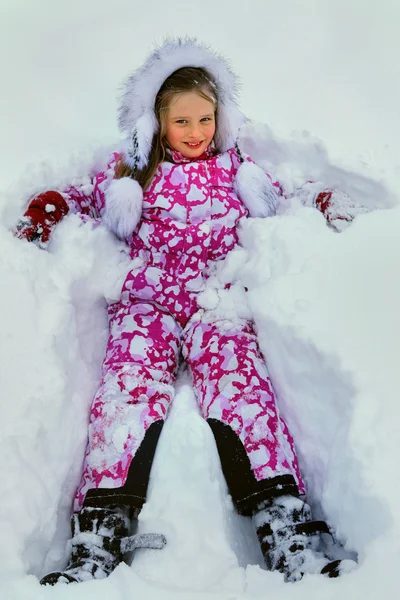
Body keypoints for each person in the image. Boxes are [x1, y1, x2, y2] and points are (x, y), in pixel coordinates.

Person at [15, 38, 362, 585]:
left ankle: (285, 526)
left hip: (216, 302)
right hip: (146, 304)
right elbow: (83, 192)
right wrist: (48, 209)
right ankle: (100, 530)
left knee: (244, 386)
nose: (196, 131)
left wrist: (321, 199)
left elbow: (288, 186)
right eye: (182, 121)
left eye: (206, 118)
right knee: (125, 394)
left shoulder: (237, 167)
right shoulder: (133, 169)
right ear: (157, 122)